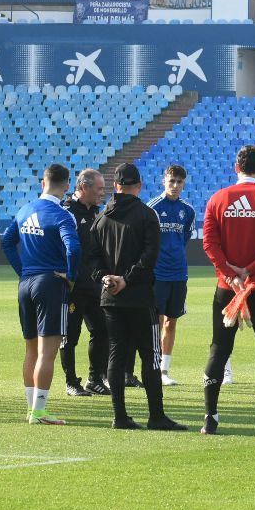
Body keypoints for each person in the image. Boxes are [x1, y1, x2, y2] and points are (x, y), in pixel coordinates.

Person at [199, 144, 255, 437]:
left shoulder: (217, 199)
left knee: (218, 350)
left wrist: (231, 273)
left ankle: (210, 419)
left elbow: (209, 244)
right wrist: (249, 270)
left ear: (236, 167)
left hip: (227, 290)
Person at [88, 164, 185, 431]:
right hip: (140, 298)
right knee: (150, 356)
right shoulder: (146, 215)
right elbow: (149, 257)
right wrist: (127, 279)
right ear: (139, 186)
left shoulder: (101, 218)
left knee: (116, 356)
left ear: (116, 186)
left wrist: (106, 277)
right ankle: (156, 415)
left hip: (110, 299)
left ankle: (119, 415)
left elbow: (91, 257)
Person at [1, 163, 79, 425]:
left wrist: (23, 270)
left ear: (42, 183)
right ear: (67, 185)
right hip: (49, 283)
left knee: (31, 349)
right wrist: (71, 276)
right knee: (48, 351)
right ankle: (40, 411)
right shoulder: (62, 215)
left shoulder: (25, 209)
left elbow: (7, 242)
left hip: (26, 283)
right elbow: (74, 249)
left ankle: (31, 408)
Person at [61, 169, 109, 398]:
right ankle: (71, 382)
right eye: (99, 188)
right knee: (69, 335)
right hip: (71, 287)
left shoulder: (99, 213)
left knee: (101, 330)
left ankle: (94, 379)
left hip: (94, 285)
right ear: (84, 187)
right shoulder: (66, 211)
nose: (103, 192)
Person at [150, 164, 197, 388]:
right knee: (156, 322)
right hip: (158, 273)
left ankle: (164, 370)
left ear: (184, 184)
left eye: (179, 182)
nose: (175, 186)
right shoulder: (153, 208)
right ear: (164, 181)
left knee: (172, 321)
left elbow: (184, 238)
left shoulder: (187, 210)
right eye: (172, 181)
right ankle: (153, 367)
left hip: (179, 272)